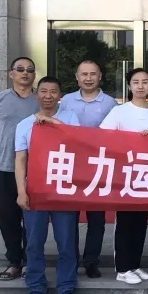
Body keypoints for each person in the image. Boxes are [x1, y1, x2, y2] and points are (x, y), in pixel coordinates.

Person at [14, 76, 81, 294]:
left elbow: (79, 143)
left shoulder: (70, 118)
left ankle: (67, 287)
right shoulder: (24, 125)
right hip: (36, 190)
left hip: (63, 190)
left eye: (53, 91)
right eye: (44, 91)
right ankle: (35, 287)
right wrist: (21, 191)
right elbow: (20, 160)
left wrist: (54, 123)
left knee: (66, 241)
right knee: (34, 242)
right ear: (37, 95)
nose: (48, 96)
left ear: (60, 96)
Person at [99, 68, 148, 285]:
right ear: (129, 86)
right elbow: (103, 137)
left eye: (145, 82)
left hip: (147, 175)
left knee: (141, 222)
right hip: (125, 174)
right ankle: (122, 268)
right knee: (125, 222)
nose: (140, 86)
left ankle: (135, 264)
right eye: (136, 82)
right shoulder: (119, 112)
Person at [57, 60, 116, 279]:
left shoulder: (110, 103)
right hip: (70, 165)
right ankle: (70, 259)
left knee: (96, 219)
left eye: (93, 74)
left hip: (97, 167)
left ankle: (91, 261)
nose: (88, 78)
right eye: (84, 74)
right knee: (69, 217)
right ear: (77, 77)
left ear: (100, 76)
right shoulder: (66, 101)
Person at [0, 56, 40, 282]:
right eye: (20, 69)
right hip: (6, 166)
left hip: (35, 169)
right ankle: (14, 261)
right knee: (8, 217)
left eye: (29, 69)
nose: (25, 73)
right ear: (12, 74)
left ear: (34, 75)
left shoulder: (41, 100)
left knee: (32, 218)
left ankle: (30, 261)